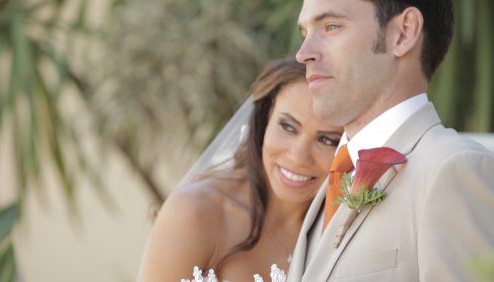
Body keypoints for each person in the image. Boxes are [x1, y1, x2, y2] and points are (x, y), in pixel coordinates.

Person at [288, 0, 494, 281]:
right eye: (304, 33)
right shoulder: (328, 175)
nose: (303, 54)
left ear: (403, 33)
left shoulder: (453, 169)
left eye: (331, 26)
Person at [136, 58, 344, 281]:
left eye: (327, 140)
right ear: (264, 122)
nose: (298, 156)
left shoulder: (341, 233)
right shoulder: (195, 213)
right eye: (288, 127)